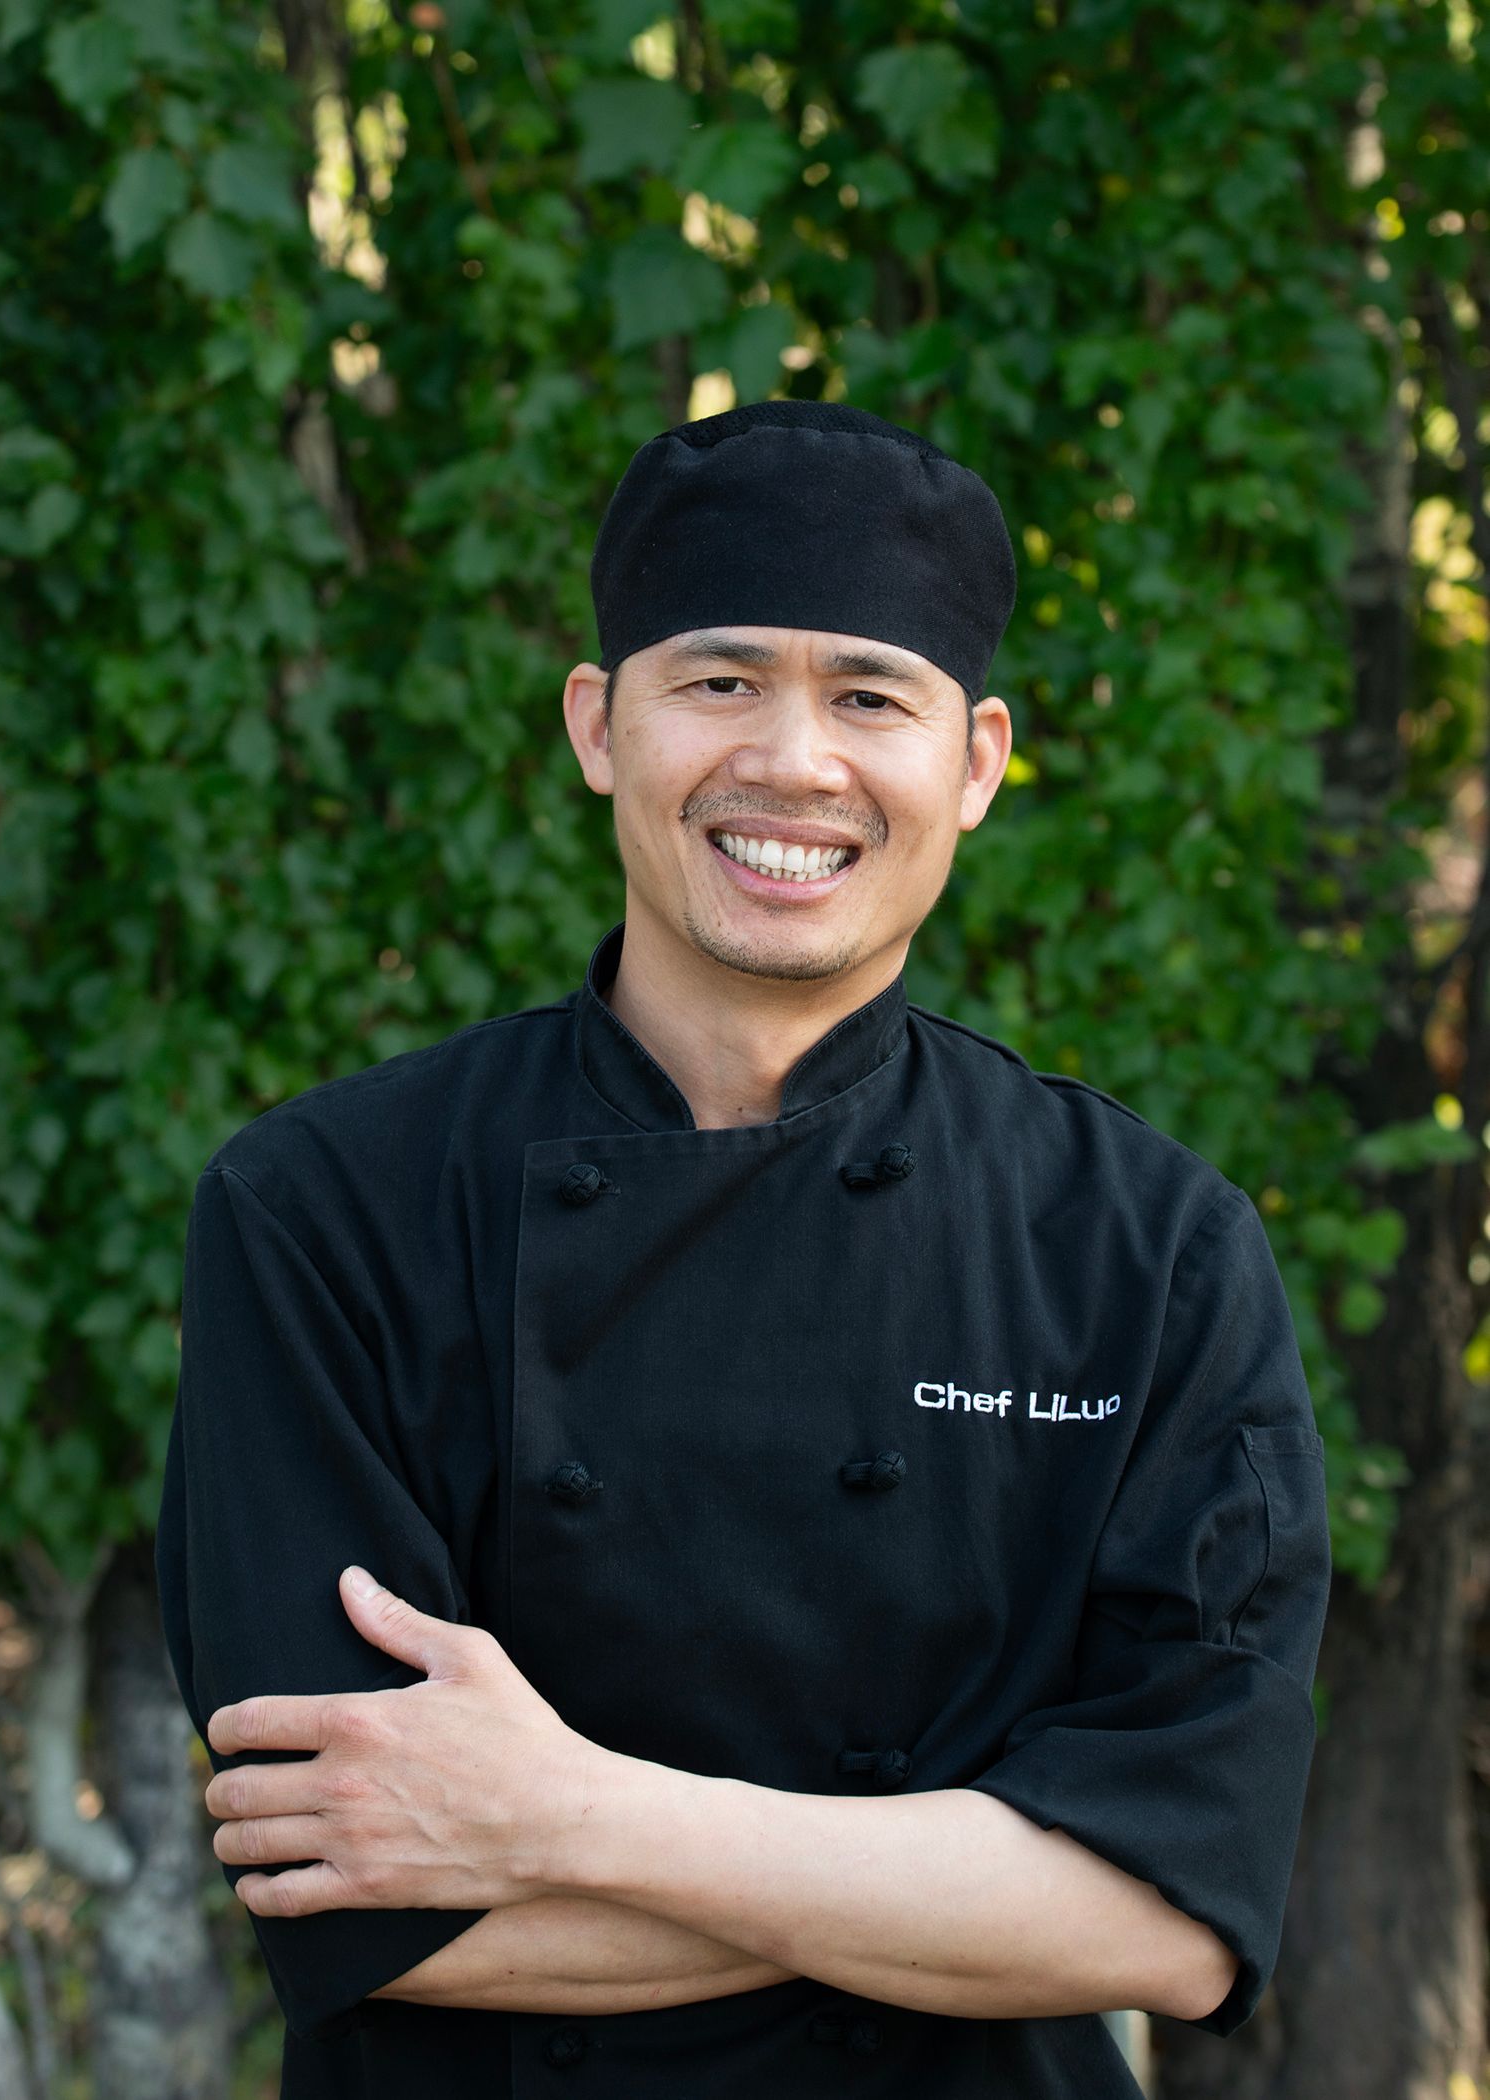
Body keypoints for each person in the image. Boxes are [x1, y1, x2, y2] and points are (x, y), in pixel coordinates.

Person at [154, 399, 1332, 2099]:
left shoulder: (1147, 1252)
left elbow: (1172, 1918)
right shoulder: (323, 1210)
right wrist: (983, 1892)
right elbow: (370, 1909)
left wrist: (570, 1818)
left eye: (871, 695)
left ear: (979, 761)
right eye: (719, 681)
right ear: (597, 727)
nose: (794, 761)